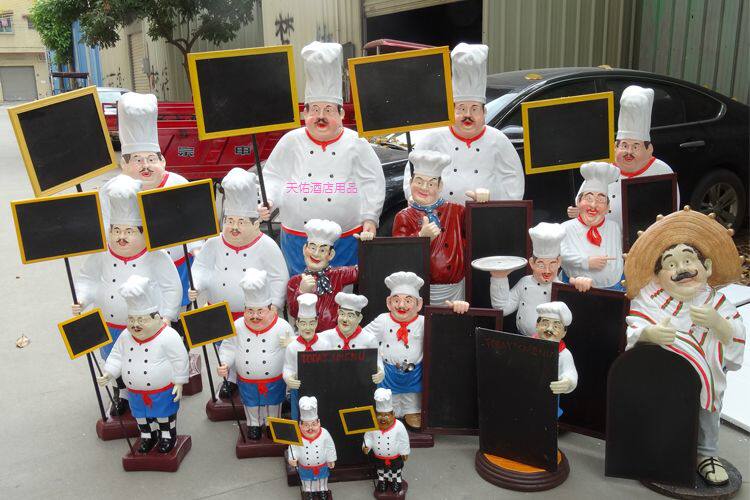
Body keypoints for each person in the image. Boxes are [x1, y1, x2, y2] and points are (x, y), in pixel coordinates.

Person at [624, 208, 745, 486]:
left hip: (708, 375)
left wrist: (718, 324)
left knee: (707, 411)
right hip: (664, 378)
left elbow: (736, 334)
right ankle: (660, 450)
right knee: (663, 413)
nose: (682, 269)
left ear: (707, 267)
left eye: (689, 260)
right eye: (671, 264)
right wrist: (650, 333)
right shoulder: (649, 300)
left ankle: (706, 453)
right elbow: (633, 328)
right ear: (657, 276)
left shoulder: (716, 302)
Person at [261, 41, 384, 275]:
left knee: (342, 288)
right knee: (299, 287)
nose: (320, 116)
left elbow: (372, 181)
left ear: (341, 113)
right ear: (304, 113)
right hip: (297, 236)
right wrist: (268, 200)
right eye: (314, 110)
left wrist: (370, 217)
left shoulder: (356, 142)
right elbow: (274, 175)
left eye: (328, 110)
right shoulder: (291, 141)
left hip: (345, 238)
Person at [74, 175, 182, 415]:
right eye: (116, 230)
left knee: (145, 361)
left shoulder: (156, 256)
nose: (121, 237)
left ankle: (151, 397)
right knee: (112, 358)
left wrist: (167, 315)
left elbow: (171, 287)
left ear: (142, 231)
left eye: (129, 231)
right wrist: (82, 298)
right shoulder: (102, 254)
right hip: (110, 323)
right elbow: (87, 279)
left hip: (147, 326)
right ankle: (121, 392)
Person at [191, 167, 288, 397]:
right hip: (219, 310)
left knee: (251, 348)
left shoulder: (266, 245)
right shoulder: (214, 244)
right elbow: (201, 267)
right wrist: (197, 284)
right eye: (230, 221)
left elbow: (278, 276)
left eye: (241, 222)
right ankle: (231, 379)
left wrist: (275, 303)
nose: (234, 227)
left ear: (255, 224)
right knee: (224, 348)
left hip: (255, 312)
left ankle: (255, 377)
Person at [100, 92, 198, 308]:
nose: (146, 166)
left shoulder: (178, 183)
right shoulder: (111, 190)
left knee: (178, 311)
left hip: (178, 264)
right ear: (124, 165)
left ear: (163, 161)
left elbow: (192, 224)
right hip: (132, 268)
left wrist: (196, 247)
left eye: (151, 159)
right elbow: (105, 227)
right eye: (137, 160)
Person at [403, 43, 523, 205]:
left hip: (484, 215)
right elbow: (412, 171)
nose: (468, 115)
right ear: (451, 111)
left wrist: (497, 203)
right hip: (440, 215)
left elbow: (513, 179)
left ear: (484, 112)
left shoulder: (498, 140)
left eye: (474, 109)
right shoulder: (433, 137)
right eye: (461, 109)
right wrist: (414, 198)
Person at [362, 271, 470, 429]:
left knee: (412, 397)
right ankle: (388, 411)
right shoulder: (382, 320)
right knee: (388, 398)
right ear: (389, 303)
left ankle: (411, 411)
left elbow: (446, 333)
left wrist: (456, 309)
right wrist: (376, 361)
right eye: (396, 300)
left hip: (414, 372)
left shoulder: (424, 322)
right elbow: (363, 338)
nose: (401, 305)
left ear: (418, 304)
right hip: (389, 372)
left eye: (408, 300)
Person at [97, 275, 188, 454]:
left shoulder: (168, 335)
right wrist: (109, 372)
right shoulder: (125, 336)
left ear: (156, 318)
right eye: (132, 320)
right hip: (135, 392)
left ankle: (167, 437)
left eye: (141, 320)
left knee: (164, 417)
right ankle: (147, 437)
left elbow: (180, 359)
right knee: (142, 418)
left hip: (162, 391)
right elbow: (116, 356)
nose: (136, 325)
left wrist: (179, 381)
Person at [568, 85, 677, 225]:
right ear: (615, 147)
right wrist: (578, 211)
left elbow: (671, 213)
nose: (629, 152)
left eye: (635, 146)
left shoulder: (662, 171)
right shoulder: (602, 170)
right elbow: (582, 203)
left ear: (649, 149)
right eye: (624, 146)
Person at [393, 150, 488, 303]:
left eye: (431, 183)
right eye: (419, 182)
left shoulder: (456, 211)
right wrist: (421, 238)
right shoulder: (404, 216)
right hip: (419, 290)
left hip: (455, 288)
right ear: (410, 183)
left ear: (440, 186)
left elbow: (479, 233)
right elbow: (398, 254)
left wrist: (480, 205)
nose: (424, 188)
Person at [217, 269, 293, 440]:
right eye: (250, 311)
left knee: (274, 403)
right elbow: (229, 347)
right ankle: (254, 425)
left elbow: (294, 350)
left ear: (270, 309)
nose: (255, 316)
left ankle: (272, 424)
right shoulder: (237, 326)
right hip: (247, 380)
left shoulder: (282, 327)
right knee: (250, 404)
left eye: (260, 311)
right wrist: (225, 363)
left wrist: (291, 344)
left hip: (274, 380)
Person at [490, 222, 593, 336]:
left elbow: (575, 316)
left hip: (549, 343)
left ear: (559, 262)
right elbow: (503, 309)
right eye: (541, 265)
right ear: (532, 263)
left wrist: (581, 286)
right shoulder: (524, 282)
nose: (547, 271)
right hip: (522, 339)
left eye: (552, 264)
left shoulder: (561, 289)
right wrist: (499, 278)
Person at [560, 162, 624, 291]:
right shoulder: (566, 227)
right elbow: (561, 255)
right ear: (578, 202)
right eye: (588, 199)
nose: (593, 205)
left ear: (608, 207)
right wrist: (586, 262)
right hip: (577, 288)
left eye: (601, 200)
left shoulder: (614, 227)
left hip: (615, 287)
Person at [287, 219, 358, 331]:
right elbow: (293, 312)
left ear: (331, 254)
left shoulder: (338, 275)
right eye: (313, 248)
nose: (316, 254)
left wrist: (366, 243)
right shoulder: (295, 281)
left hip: (332, 334)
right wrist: (301, 291)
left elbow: (365, 270)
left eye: (323, 250)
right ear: (305, 249)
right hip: (307, 334)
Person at [283, 294, 332, 420]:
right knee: (298, 416)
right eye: (304, 324)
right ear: (297, 323)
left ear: (316, 322)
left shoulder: (324, 345)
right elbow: (288, 367)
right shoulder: (292, 347)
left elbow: (329, 367)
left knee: (321, 414)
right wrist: (289, 378)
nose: (308, 328)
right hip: (298, 389)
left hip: (320, 388)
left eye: (311, 323)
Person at [319, 292, 384, 384]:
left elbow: (377, 360)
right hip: (332, 384)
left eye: (350, 316)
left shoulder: (369, 339)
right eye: (342, 314)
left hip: (358, 384)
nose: (345, 319)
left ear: (359, 318)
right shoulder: (324, 337)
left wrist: (380, 372)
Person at [534, 302, 578, 417]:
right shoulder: (526, 346)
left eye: (556, 326)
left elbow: (570, 372)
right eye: (545, 324)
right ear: (537, 325)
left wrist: (568, 382)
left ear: (564, 332)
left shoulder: (564, 354)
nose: (549, 329)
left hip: (547, 399)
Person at [363, 388, 411, 494]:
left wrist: (404, 452)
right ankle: (382, 481)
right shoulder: (372, 425)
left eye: (386, 415)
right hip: (379, 457)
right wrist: (367, 446)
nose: (383, 418)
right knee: (381, 470)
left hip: (395, 457)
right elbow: (368, 437)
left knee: (395, 470)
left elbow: (404, 440)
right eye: (379, 415)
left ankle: (395, 481)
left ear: (393, 414)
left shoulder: (399, 426)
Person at [288, 396, 336, 500]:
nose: (310, 428)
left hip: (321, 466)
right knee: (306, 481)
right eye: (306, 425)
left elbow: (330, 447)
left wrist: (331, 459)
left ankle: (322, 490)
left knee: (322, 480)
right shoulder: (297, 435)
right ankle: (308, 492)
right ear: (300, 425)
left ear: (319, 422)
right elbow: (293, 448)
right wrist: (292, 458)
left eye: (313, 424)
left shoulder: (324, 433)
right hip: (305, 468)